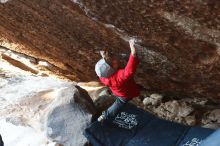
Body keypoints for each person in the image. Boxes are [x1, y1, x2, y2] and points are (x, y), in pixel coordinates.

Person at [95, 39, 140, 122]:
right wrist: (133, 51)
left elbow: (104, 67)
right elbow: (129, 71)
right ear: (112, 69)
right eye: (113, 62)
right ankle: (105, 115)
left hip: (118, 92)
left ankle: (103, 117)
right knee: (119, 103)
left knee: (119, 102)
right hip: (126, 94)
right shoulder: (119, 77)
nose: (115, 59)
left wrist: (104, 55)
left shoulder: (103, 76)